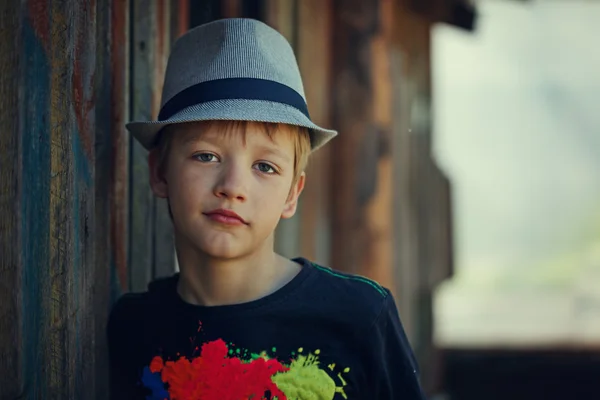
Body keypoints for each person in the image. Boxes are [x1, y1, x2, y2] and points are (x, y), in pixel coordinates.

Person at [108, 18, 426, 400]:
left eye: (265, 167)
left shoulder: (359, 317)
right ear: (159, 172)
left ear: (292, 193)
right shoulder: (133, 328)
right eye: (206, 156)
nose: (232, 187)